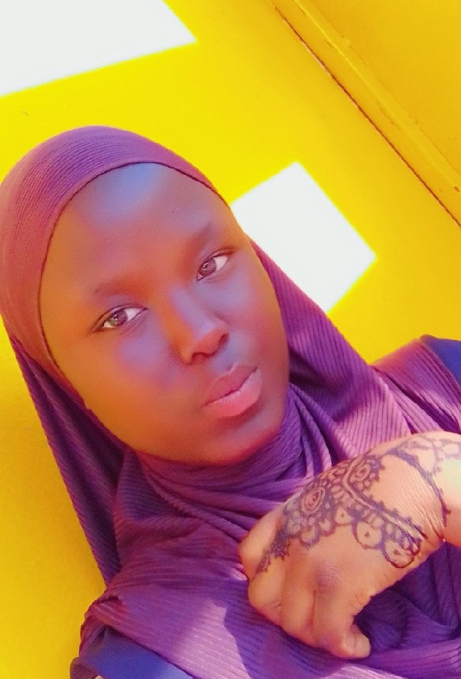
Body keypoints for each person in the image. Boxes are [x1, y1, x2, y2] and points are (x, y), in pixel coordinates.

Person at [0, 125, 461, 679]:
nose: (200, 332)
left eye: (212, 263)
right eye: (118, 317)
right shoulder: (152, 659)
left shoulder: (444, 384)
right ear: (69, 387)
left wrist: (436, 475)